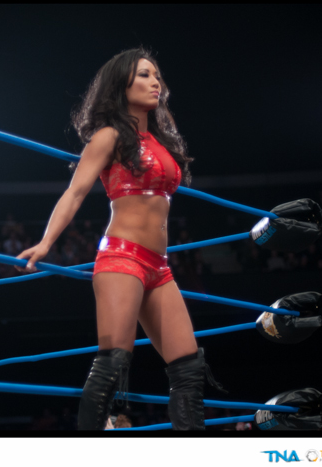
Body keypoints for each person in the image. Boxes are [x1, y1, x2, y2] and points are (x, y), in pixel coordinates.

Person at [16, 48, 223, 430]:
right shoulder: (109, 136)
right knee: (113, 362)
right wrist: (46, 243)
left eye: (157, 75)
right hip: (122, 258)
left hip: (159, 268)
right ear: (121, 84)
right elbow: (75, 192)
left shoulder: (159, 140)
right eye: (144, 74)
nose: (155, 82)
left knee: (189, 367)